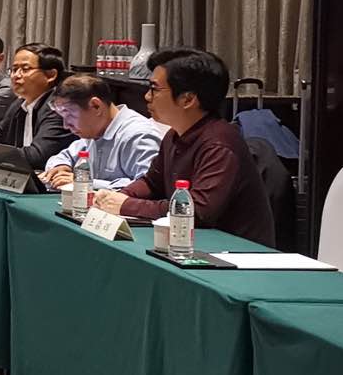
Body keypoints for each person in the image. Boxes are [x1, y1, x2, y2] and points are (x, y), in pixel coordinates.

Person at [91, 49, 276, 245]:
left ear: (188, 99)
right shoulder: (174, 134)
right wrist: (119, 196)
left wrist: (127, 205)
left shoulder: (219, 144)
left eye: (154, 89)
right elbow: (152, 183)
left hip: (233, 251)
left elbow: (197, 212)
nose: (147, 96)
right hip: (189, 243)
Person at [40, 74, 167, 190]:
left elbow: (148, 187)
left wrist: (85, 182)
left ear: (96, 106)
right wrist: (61, 167)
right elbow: (64, 156)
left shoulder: (139, 136)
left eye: (70, 115)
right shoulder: (93, 131)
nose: (66, 125)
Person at [0, 43, 74, 171]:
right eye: (14, 69)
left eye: (25, 69)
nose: (16, 76)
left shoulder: (58, 108)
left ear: (50, 75)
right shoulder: (19, 104)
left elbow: (37, 157)